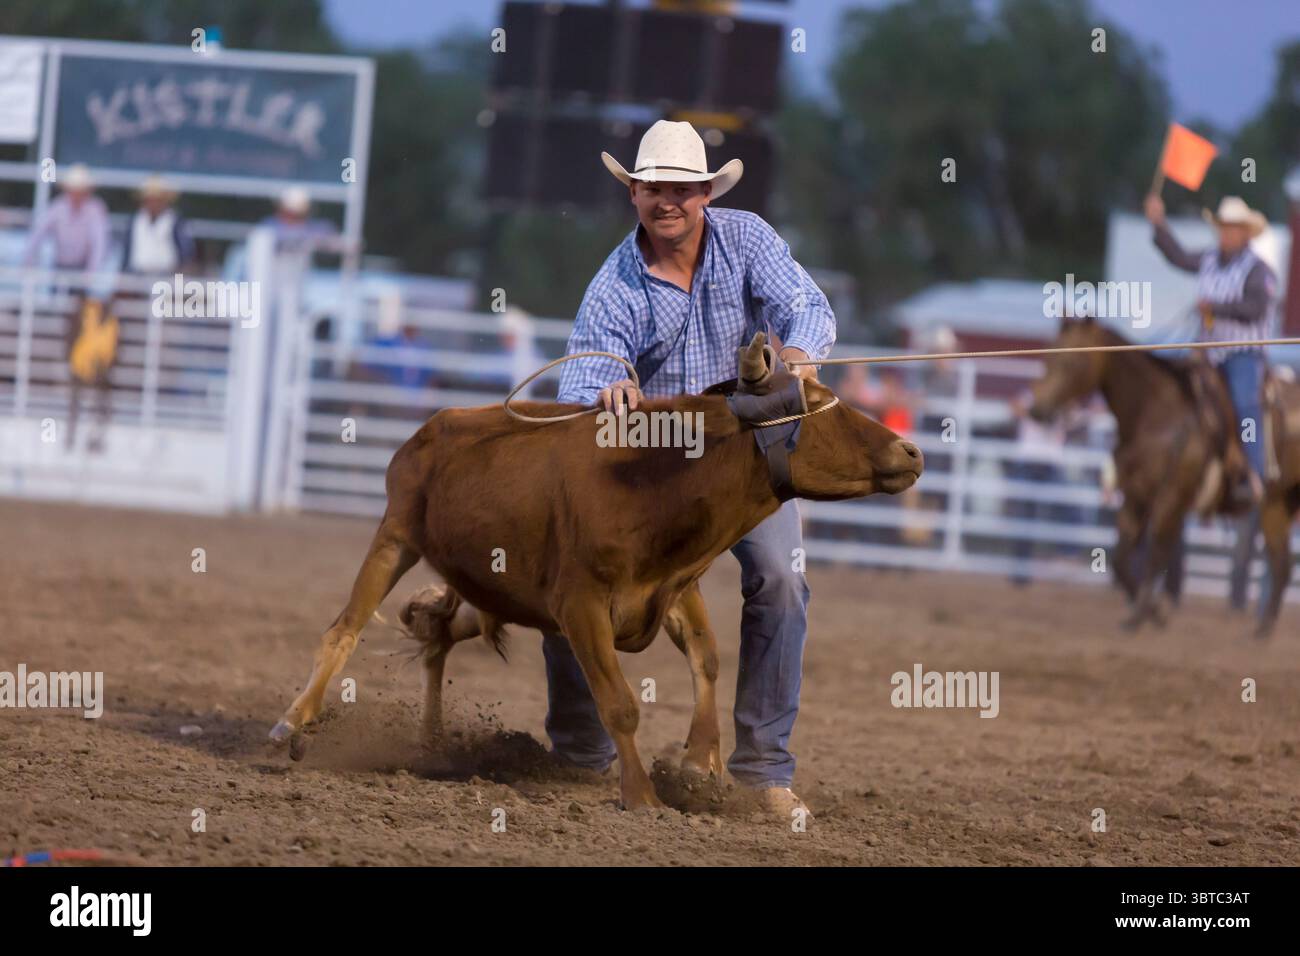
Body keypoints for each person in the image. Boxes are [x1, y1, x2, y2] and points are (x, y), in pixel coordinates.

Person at [550, 120, 836, 820]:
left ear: (705, 192)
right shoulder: (616, 281)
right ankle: (582, 750)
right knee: (573, 570)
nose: (666, 201)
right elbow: (584, 370)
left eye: (680, 189)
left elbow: (807, 305)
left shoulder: (746, 239)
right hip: (657, 468)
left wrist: (798, 353)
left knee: (782, 580)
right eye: (652, 189)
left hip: (744, 453)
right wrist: (607, 388)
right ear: (634, 195)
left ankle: (764, 770)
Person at [1143, 193, 1279, 509]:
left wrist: (1214, 307)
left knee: (1246, 404)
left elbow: (1257, 308)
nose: (1225, 234)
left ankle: (1252, 471)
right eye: (1223, 227)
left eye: (1232, 228)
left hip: (1241, 353)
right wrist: (1158, 224)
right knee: (1169, 384)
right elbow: (1177, 256)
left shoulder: (1259, 270)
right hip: (1206, 351)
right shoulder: (1208, 259)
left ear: (1246, 232)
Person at [22, 164, 110, 274]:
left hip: (83, 267)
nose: (76, 195)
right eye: (73, 190)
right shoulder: (58, 206)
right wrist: (29, 258)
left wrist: (92, 271)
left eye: (80, 191)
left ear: (86, 192)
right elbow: (38, 232)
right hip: (60, 265)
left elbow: (99, 242)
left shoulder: (94, 209)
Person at [121, 175, 194, 276]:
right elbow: (127, 249)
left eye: (157, 199)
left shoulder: (175, 220)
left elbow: (185, 250)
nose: (153, 203)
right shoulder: (135, 220)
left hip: (167, 274)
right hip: (137, 274)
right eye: (149, 199)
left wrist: (180, 271)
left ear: (164, 201)